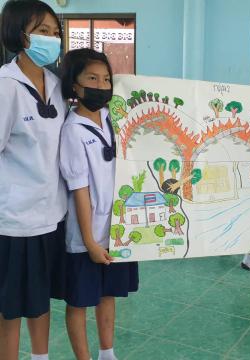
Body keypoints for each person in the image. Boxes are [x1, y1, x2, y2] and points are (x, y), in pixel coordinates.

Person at [60, 48, 139, 360]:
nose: (101, 85)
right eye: (92, 78)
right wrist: (91, 242)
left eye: (106, 78)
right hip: (86, 236)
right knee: (79, 300)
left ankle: (108, 353)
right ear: (74, 85)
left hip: (116, 229)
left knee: (109, 294)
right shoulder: (72, 130)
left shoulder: (112, 119)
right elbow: (79, 191)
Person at [0, 1, 67, 359]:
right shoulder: (5, 87)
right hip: (15, 222)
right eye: (43, 31)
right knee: (10, 309)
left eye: (56, 33)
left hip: (51, 218)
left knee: (41, 302)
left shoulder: (56, 85)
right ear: (20, 34)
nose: (52, 39)